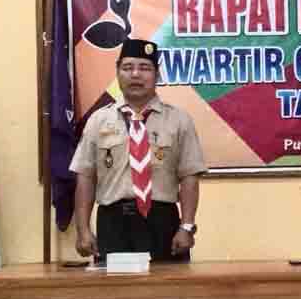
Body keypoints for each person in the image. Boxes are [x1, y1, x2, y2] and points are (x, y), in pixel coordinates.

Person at [70, 38, 206, 262]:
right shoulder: (98, 120)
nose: (135, 74)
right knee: (116, 285)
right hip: (113, 223)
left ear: (157, 74)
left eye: (144, 68)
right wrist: (83, 230)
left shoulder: (179, 120)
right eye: (128, 67)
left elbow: (189, 177)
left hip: (163, 223)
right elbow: (85, 177)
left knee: (169, 284)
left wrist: (187, 226)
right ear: (117, 72)